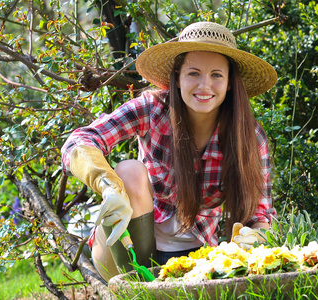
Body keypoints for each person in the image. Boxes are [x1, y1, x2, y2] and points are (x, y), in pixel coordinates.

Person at [61, 21, 277, 281]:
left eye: (217, 75)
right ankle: (132, 287)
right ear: (177, 76)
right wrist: (106, 185)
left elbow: (261, 212)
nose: (204, 86)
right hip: (126, 246)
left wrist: (252, 243)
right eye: (193, 73)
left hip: (196, 254)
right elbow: (80, 140)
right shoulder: (152, 110)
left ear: (230, 82)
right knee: (128, 171)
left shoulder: (249, 136)